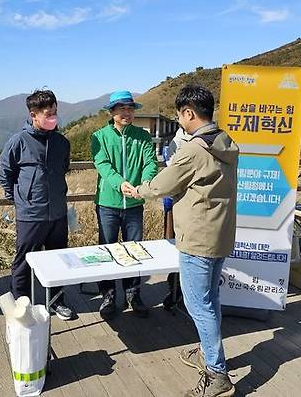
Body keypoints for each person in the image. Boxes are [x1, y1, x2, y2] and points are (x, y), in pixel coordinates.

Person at [126, 84, 238, 397]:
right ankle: (207, 353)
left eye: (179, 116)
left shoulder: (192, 149)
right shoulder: (225, 141)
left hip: (198, 238)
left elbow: (162, 184)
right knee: (210, 300)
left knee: (198, 305)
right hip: (220, 234)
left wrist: (139, 190)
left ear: (188, 113)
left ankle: (217, 374)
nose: (178, 121)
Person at [0, 89, 76, 321]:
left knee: (58, 259)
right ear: (34, 114)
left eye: (54, 112)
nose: (53, 117)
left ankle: (57, 302)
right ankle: (21, 307)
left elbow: (64, 168)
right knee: (23, 262)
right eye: (48, 113)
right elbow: (6, 174)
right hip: (30, 215)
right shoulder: (18, 142)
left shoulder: (62, 142)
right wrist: (22, 200)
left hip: (58, 214)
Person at [91, 90, 159, 318]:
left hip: (134, 204)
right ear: (112, 112)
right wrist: (120, 184)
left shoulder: (142, 136)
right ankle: (108, 295)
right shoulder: (99, 136)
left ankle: (133, 293)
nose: (127, 113)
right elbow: (102, 164)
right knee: (107, 249)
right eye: (122, 109)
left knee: (134, 250)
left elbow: (150, 162)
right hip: (107, 204)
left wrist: (144, 184)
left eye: (130, 109)